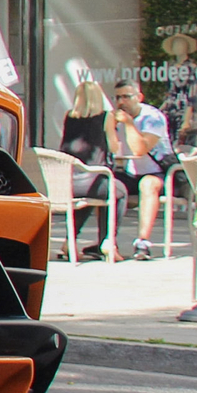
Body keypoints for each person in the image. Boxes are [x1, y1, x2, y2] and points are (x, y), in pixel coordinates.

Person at [108, 80, 170, 259]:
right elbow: (112, 148)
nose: (121, 102)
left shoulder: (153, 117)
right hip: (130, 172)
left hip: (157, 172)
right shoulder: (117, 118)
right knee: (108, 184)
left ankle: (143, 242)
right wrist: (110, 126)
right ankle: (108, 241)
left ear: (139, 97)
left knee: (147, 184)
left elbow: (140, 149)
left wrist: (128, 124)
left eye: (126, 97)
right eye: (118, 97)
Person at [59, 79, 115, 259]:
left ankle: (70, 241)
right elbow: (114, 147)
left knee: (89, 198)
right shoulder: (106, 117)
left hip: (69, 181)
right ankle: (108, 241)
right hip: (93, 179)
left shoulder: (69, 117)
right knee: (117, 192)